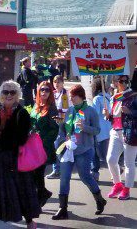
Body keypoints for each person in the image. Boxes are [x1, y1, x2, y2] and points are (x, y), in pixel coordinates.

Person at [0, 80, 40, 229]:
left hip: (14, 162)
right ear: (1, 94)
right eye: (5, 92)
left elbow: (21, 139)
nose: (8, 95)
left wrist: (0, 133)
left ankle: (29, 222)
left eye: (12, 92)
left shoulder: (22, 113)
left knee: (20, 194)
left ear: (17, 95)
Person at [52, 85, 106, 220]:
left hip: (84, 150)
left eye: (73, 96)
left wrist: (85, 127)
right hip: (69, 149)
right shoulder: (70, 110)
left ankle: (99, 199)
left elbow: (97, 130)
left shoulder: (90, 111)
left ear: (81, 96)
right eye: (70, 96)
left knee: (85, 176)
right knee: (64, 178)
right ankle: (62, 208)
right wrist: (61, 128)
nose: (71, 99)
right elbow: (65, 129)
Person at [104, 75, 137, 200]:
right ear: (115, 82)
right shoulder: (114, 97)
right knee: (111, 159)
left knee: (129, 163)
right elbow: (113, 116)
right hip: (115, 131)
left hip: (129, 131)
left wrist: (131, 112)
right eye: (121, 81)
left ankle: (127, 189)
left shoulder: (133, 95)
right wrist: (108, 115)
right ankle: (117, 184)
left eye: (126, 80)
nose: (124, 83)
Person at [30, 81, 59, 207]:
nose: (44, 92)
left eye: (47, 90)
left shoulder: (52, 108)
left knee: (38, 172)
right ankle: (43, 193)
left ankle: (39, 197)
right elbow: (31, 122)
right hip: (32, 145)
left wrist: (43, 141)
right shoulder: (36, 106)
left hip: (43, 146)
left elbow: (55, 129)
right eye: (42, 89)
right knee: (33, 173)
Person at [46, 75, 71, 179]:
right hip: (54, 123)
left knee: (58, 147)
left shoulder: (65, 95)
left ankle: (57, 170)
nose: (56, 84)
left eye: (59, 82)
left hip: (61, 124)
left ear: (62, 83)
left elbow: (64, 111)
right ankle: (59, 169)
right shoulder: (54, 94)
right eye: (55, 82)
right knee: (58, 147)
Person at [91, 78, 112, 181]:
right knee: (106, 153)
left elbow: (94, 114)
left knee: (97, 153)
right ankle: (115, 168)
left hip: (99, 131)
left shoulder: (96, 99)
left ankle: (95, 173)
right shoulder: (109, 97)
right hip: (108, 130)